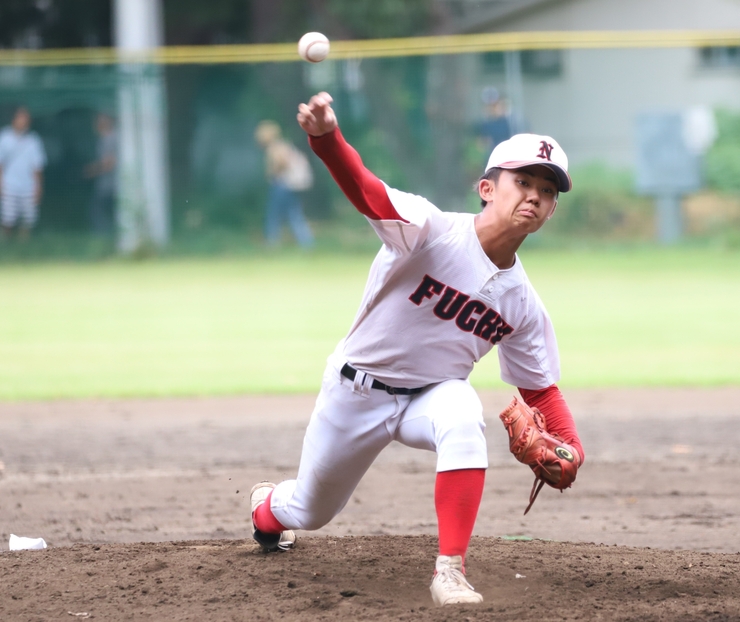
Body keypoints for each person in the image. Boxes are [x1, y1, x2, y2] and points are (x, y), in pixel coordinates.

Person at [249, 92, 584, 607]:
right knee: (310, 510)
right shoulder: (429, 231)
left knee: (463, 414)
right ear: (488, 188)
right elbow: (367, 192)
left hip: (432, 395)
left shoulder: (523, 304)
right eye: (523, 182)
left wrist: (572, 448)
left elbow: (540, 389)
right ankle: (268, 507)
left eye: (547, 190)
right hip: (357, 390)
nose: (535, 196)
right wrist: (326, 138)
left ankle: (450, 571)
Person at [254, 120, 315, 249]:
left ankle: (272, 243)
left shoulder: (274, 148)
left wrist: (272, 172)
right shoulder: (284, 145)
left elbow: (281, 163)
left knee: (273, 215)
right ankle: (307, 243)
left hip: (281, 185)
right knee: (295, 215)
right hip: (291, 186)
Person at [0, 106, 47, 240]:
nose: (24, 121)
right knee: (7, 217)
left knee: (28, 218)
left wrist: (38, 186)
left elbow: (37, 166)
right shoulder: (3, 137)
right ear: (14, 119)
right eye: (21, 117)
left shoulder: (33, 140)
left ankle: (23, 244)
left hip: (28, 185)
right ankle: (5, 242)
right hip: (8, 184)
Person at [84, 113, 117, 236]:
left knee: (96, 210)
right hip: (105, 184)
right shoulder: (102, 139)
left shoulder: (112, 138)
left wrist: (93, 170)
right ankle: (108, 234)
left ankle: (105, 234)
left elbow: (111, 162)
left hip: (111, 184)